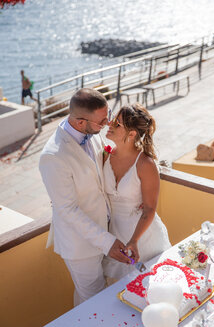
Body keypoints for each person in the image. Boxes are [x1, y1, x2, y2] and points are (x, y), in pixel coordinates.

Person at [39, 88, 130, 306]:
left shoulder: (93, 135)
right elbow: (67, 210)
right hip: (79, 245)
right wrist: (107, 242)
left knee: (93, 296)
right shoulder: (53, 157)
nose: (107, 123)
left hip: (107, 229)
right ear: (80, 123)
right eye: (102, 121)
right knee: (94, 300)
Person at [102, 103, 171, 280]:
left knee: (146, 288)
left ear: (132, 134)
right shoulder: (105, 155)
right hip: (114, 234)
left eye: (117, 124)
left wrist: (134, 241)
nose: (110, 124)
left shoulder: (145, 164)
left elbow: (149, 209)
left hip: (143, 238)